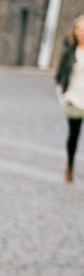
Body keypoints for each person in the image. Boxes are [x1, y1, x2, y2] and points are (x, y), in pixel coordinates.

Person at [55, 15, 84, 183]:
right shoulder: (69, 52)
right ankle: (70, 166)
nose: (81, 33)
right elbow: (59, 75)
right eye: (78, 29)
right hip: (73, 99)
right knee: (74, 135)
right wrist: (63, 96)